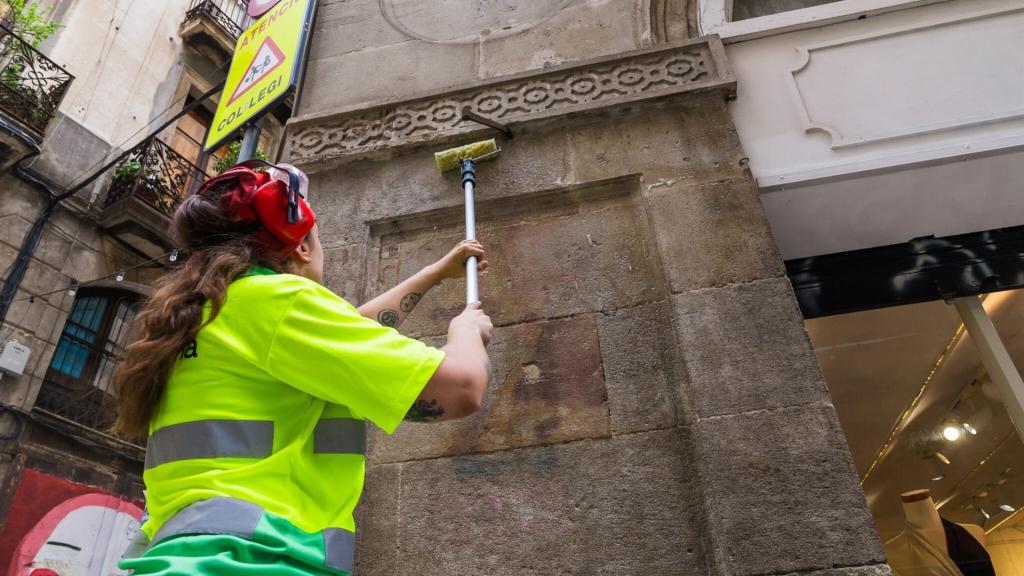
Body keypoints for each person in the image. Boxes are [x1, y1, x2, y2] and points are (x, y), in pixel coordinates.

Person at [113, 162, 493, 575]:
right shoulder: (277, 301)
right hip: (255, 562)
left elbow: (339, 340)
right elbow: (460, 388)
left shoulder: (198, 318)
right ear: (303, 248)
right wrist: (465, 332)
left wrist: (432, 275)